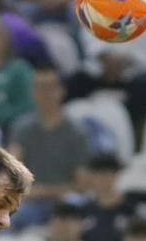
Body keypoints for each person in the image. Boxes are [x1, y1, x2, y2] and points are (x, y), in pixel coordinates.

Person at [8, 68, 89, 226]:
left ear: (61, 91)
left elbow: (82, 184)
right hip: (30, 200)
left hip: (63, 198)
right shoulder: (21, 128)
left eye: (50, 87)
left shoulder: (76, 132)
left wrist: (44, 190)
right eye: (39, 87)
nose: (44, 93)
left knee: (75, 206)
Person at [80, 153, 137, 241]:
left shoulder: (131, 209)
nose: (104, 180)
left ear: (116, 176)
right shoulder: (83, 211)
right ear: (92, 177)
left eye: (108, 174)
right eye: (99, 175)